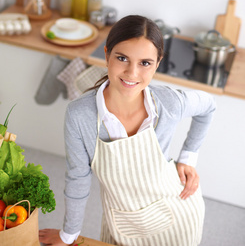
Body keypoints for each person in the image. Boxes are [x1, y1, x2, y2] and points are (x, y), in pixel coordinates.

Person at [39, 15, 216, 246]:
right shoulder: (80, 115)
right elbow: (77, 178)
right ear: (106, 54)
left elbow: (208, 106)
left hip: (179, 218)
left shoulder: (169, 103)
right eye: (122, 58)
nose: (132, 73)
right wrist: (68, 235)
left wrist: (188, 158)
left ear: (158, 63)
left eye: (145, 63)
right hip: (121, 224)